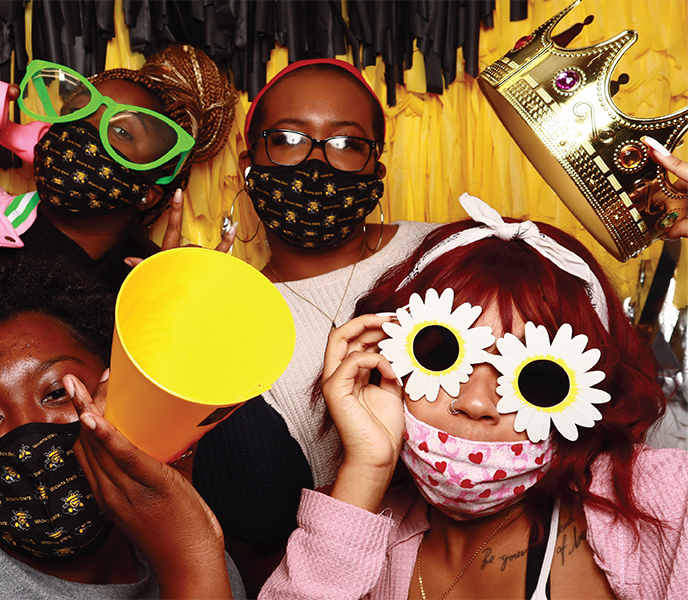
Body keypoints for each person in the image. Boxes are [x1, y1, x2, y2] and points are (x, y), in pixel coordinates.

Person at [260, 194, 688, 600]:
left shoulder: (667, 503)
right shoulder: (350, 523)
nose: (477, 403)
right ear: (380, 357)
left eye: (538, 378)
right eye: (439, 354)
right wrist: (367, 470)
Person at [191, 58, 439, 592]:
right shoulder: (227, 320)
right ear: (248, 161)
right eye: (287, 138)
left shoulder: (445, 250)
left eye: (347, 143)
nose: (317, 161)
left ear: (377, 166)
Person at [0, 255, 246, 599]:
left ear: (116, 386)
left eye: (59, 392)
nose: (29, 437)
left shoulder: (194, 542)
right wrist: (190, 561)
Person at [0, 44, 237, 317]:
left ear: (149, 192)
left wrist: (179, 322)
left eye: (121, 131)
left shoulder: (152, 290)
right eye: (78, 110)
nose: (84, 129)